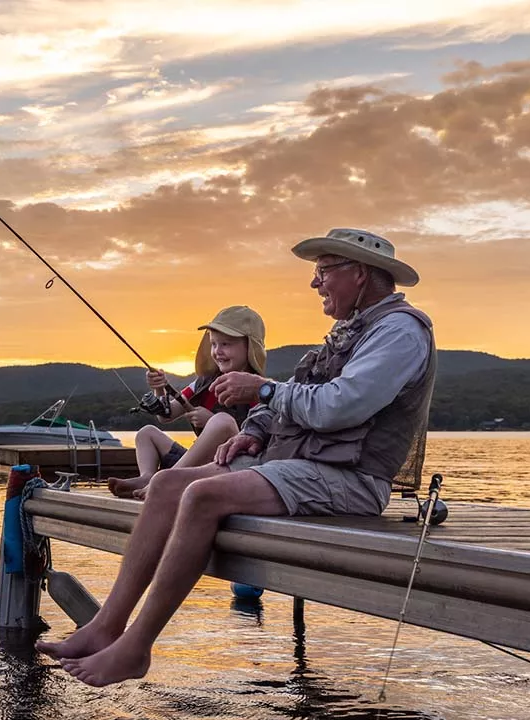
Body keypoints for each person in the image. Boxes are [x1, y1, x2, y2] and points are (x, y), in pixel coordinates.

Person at [37, 228, 437, 687]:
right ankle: (106, 626)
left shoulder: (400, 331)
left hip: (352, 479)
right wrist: (254, 431)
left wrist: (264, 389)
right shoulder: (353, 330)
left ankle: (136, 647)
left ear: (360, 274)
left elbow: (340, 405)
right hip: (302, 465)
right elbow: (298, 400)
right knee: (167, 485)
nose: (315, 283)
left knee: (204, 495)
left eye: (323, 271)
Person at [108, 305, 266, 499]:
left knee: (222, 421)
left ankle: (165, 481)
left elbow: (258, 439)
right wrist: (159, 388)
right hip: (193, 463)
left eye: (226, 344)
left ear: (250, 347)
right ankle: (148, 477)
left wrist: (210, 420)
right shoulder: (203, 383)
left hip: (230, 465)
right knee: (146, 433)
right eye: (214, 344)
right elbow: (166, 415)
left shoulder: (258, 389)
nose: (218, 351)